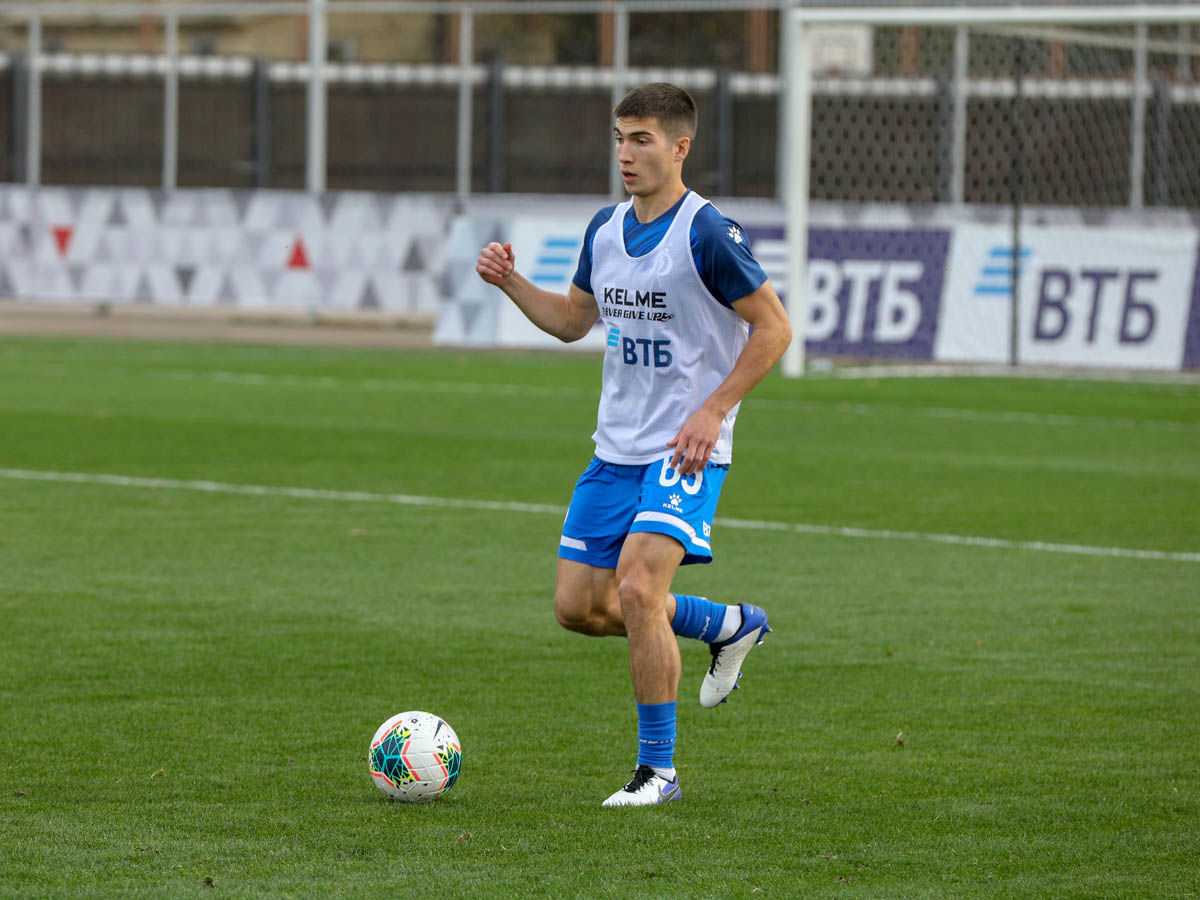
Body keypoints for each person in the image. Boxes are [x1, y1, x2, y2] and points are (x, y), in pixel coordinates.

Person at [475, 83, 792, 807]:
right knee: (578, 607)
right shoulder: (605, 229)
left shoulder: (707, 233)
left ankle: (659, 773)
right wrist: (510, 281)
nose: (625, 153)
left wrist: (713, 411)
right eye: (620, 137)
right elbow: (571, 321)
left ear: (680, 148)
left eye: (641, 139)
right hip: (614, 449)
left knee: (640, 590)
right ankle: (728, 624)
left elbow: (774, 328)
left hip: (685, 450)